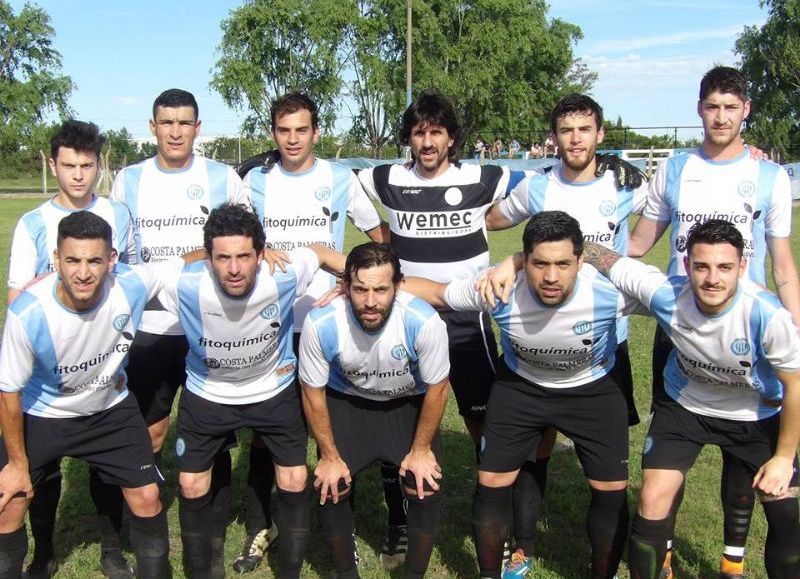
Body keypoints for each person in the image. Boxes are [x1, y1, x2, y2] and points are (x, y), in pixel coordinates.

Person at [628, 65, 800, 579]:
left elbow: (783, 264)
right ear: (699, 110)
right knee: (668, 464)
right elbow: (637, 246)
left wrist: (793, 321)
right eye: (712, 106)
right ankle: (664, 556)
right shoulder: (675, 170)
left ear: (746, 110)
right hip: (681, 328)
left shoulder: (770, 176)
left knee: (747, 453)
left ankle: (734, 557)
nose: (721, 116)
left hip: (747, 331)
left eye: (731, 107)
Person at [402, 211, 640, 579]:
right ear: (523, 261)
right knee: (492, 482)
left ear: (580, 261)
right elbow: (436, 293)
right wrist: (367, 283)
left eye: (563, 264)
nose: (551, 276)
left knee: (609, 490)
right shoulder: (498, 290)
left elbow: (677, 298)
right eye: (539, 263)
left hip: (593, 391)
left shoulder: (609, 292)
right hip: (521, 388)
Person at [582, 219, 800, 579]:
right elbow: (598, 254)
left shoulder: (767, 314)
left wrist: (783, 457)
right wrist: (518, 260)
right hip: (685, 407)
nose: (713, 278)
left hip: (757, 414)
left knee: (785, 513)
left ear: (742, 267)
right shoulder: (666, 292)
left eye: (725, 267)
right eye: (702, 266)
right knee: (652, 499)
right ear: (687, 266)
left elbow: (795, 386)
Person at [484, 94, 646, 576]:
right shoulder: (537, 187)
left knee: (610, 467)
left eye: (585, 129)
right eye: (566, 130)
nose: (575, 139)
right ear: (554, 136)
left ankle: (624, 554)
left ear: (600, 134)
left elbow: (673, 212)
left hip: (604, 341)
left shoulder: (625, 186)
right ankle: (525, 544)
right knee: (538, 444)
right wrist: (514, 259)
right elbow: (492, 220)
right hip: (537, 336)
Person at [236, 92, 389, 572]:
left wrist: (367, 279)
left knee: (337, 431)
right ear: (273, 134)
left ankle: (341, 533)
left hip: (329, 324)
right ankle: (265, 526)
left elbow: (377, 237)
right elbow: (235, 241)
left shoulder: (340, 178)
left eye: (301, 130)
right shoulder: (253, 181)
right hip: (273, 326)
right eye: (284, 131)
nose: (293, 139)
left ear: (316, 132)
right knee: (269, 434)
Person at [157, 203, 344, 579]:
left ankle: (288, 572)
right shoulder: (182, 282)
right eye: (222, 257)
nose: (235, 268)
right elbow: (112, 279)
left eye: (245, 256)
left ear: (262, 254)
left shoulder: (284, 273)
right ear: (207, 259)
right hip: (208, 395)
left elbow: (322, 253)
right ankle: (202, 571)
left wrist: (352, 280)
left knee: (293, 478)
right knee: (191, 485)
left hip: (273, 392)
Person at [109, 89, 246, 573]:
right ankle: (137, 516)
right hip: (149, 326)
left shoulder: (223, 178)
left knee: (215, 426)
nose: (175, 131)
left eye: (184, 122)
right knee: (149, 428)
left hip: (208, 323)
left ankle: (211, 527)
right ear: (152, 126)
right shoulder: (128, 180)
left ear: (197, 127)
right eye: (166, 122)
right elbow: (118, 256)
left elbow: (245, 243)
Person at [0, 211, 176, 579]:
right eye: (73, 260)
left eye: (95, 260)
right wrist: (17, 465)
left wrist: (251, 252)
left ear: (112, 260)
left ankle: (132, 562)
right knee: (9, 503)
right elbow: (9, 392)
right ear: (56, 259)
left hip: (110, 411)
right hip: (43, 413)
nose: (83, 272)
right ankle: (36, 558)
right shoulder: (28, 311)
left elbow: (184, 263)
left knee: (147, 498)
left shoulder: (131, 283)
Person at [6, 119, 137, 578]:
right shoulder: (33, 223)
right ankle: (43, 553)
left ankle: (111, 548)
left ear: (100, 166)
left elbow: (130, 278)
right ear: (52, 164)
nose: (78, 175)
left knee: (107, 466)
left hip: (105, 362)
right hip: (47, 376)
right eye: (68, 165)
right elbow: (18, 298)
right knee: (40, 475)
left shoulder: (119, 214)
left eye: (87, 165)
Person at [299, 242, 450, 579]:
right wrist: (327, 455)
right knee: (332, 485)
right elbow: (312, 392)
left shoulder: (424, 321)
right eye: (360, 289)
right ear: (345, 286)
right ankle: (345, 572)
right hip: (350, 405)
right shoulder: (322, 321)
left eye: (381, 290)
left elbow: (438, 388)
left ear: (398, 285)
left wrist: (422, 449)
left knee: (424, 484)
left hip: (406, 406)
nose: (370, 301)